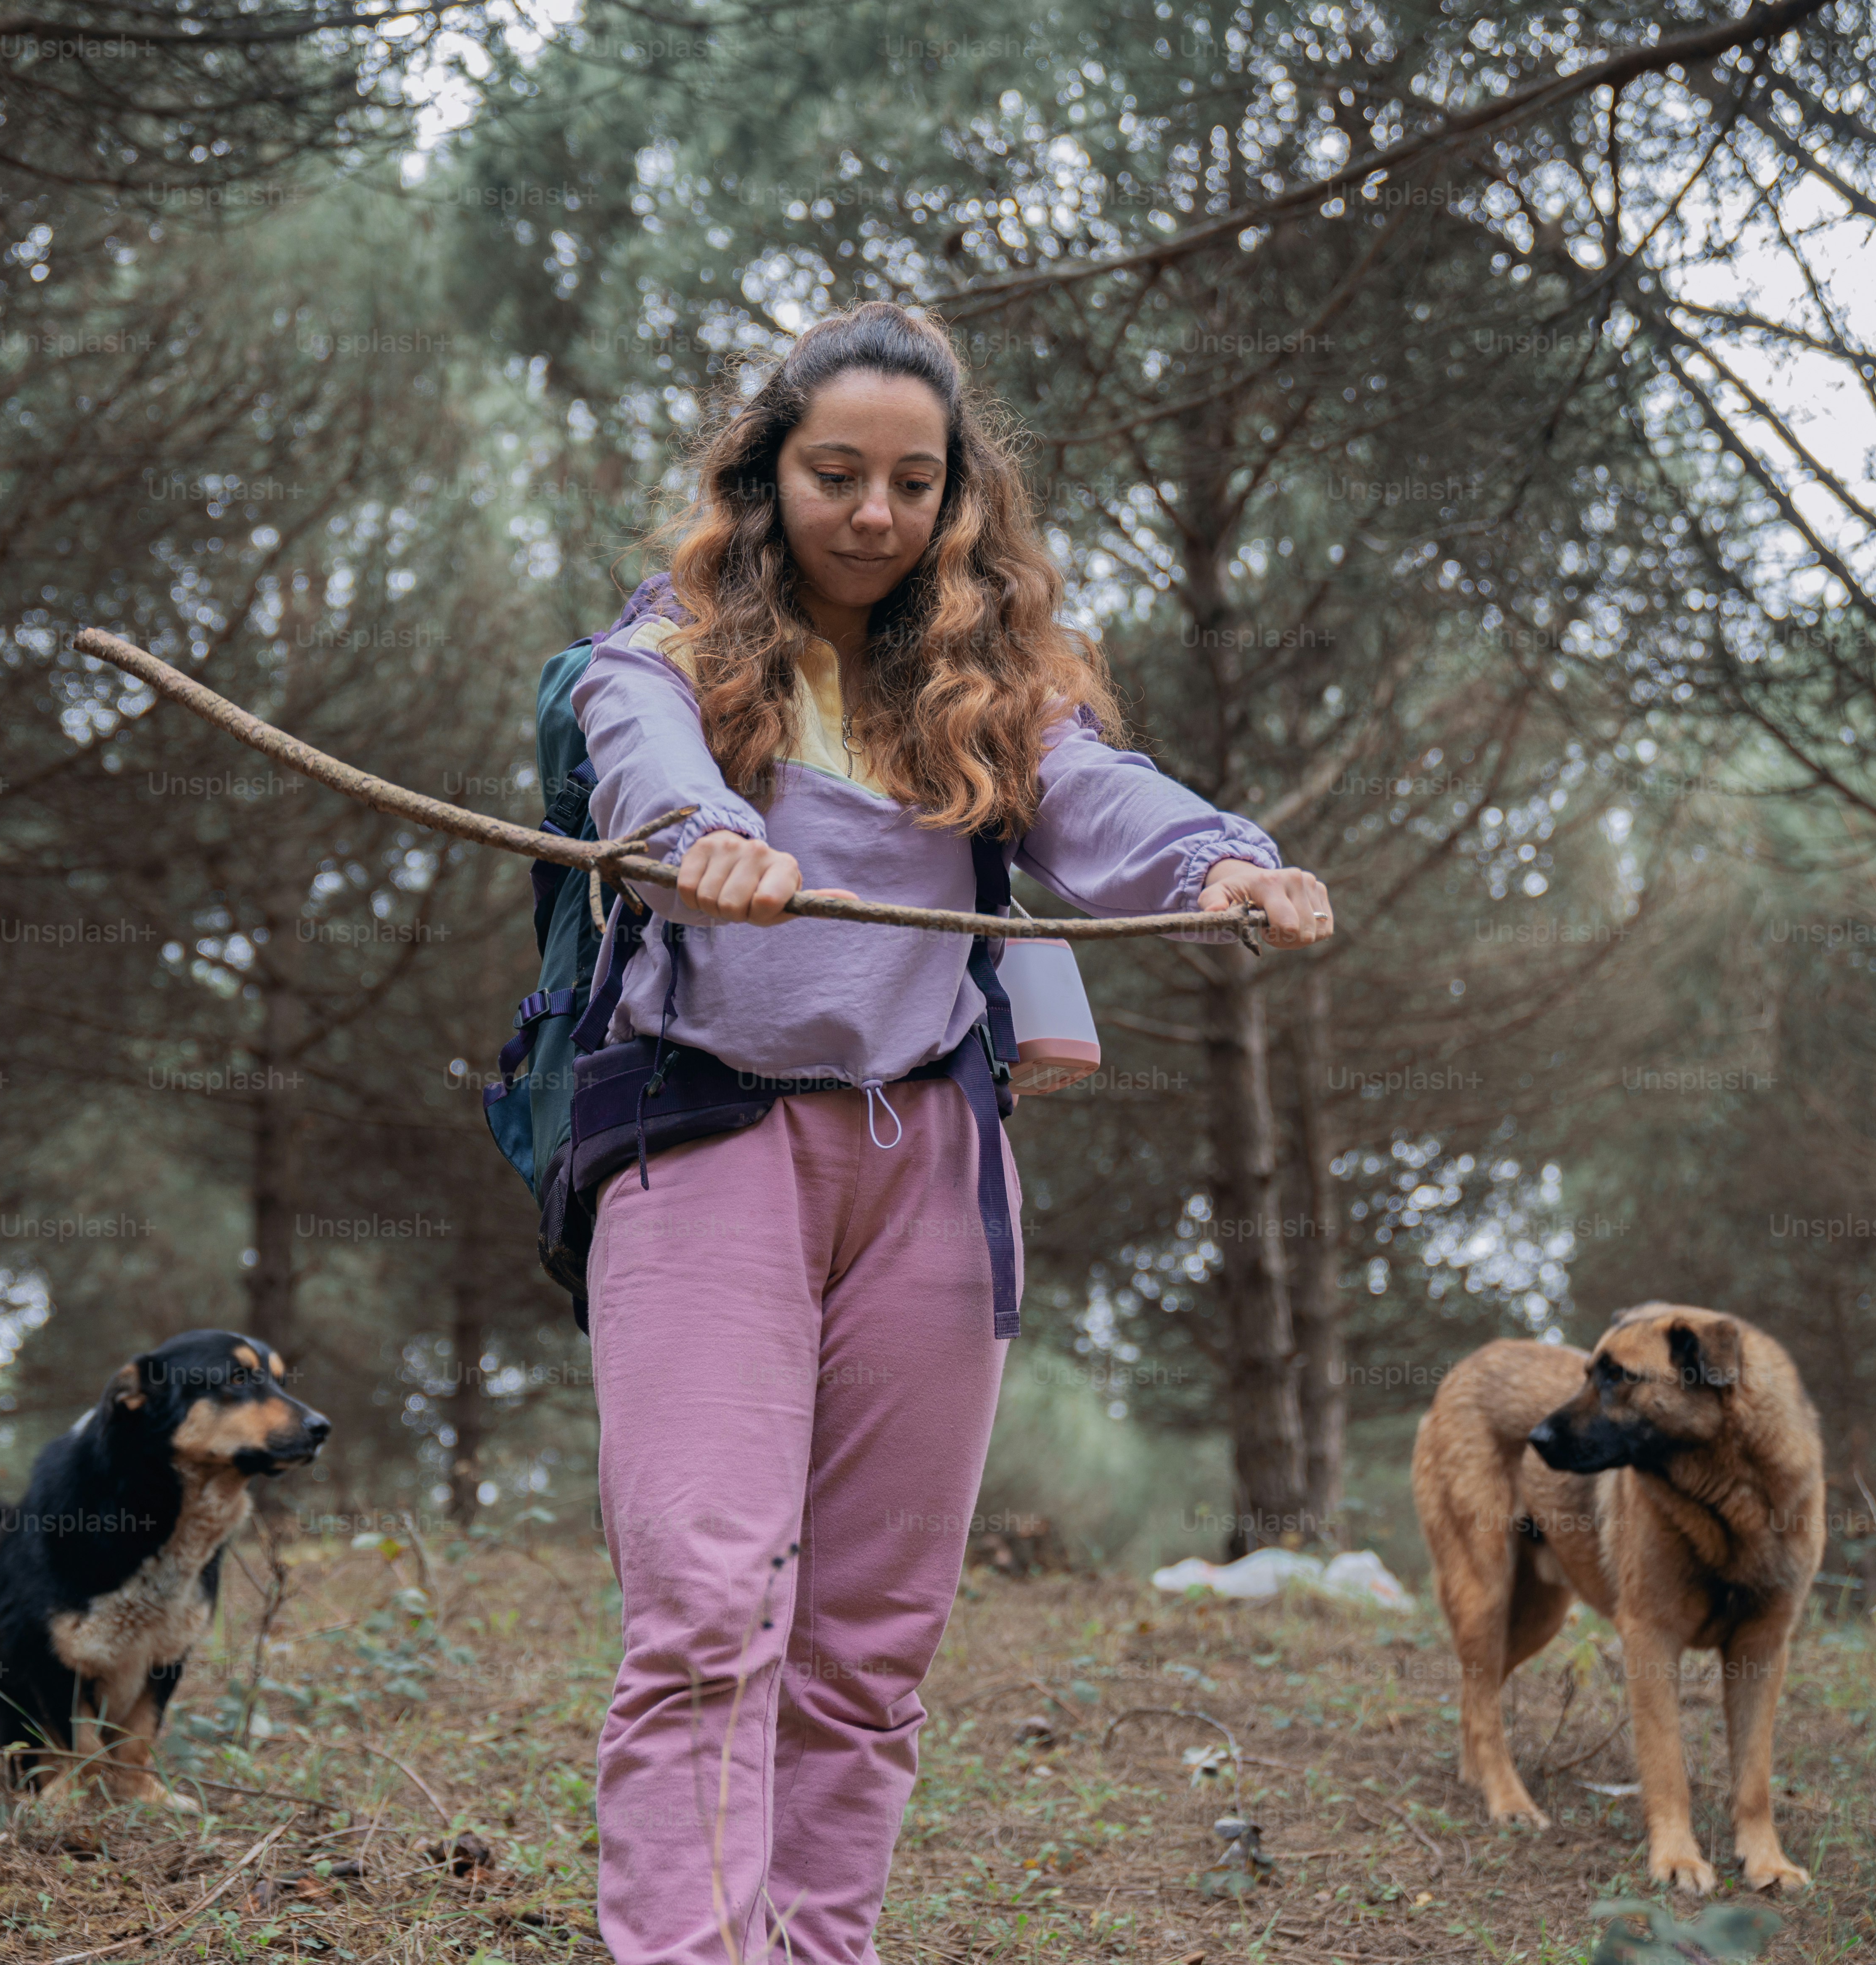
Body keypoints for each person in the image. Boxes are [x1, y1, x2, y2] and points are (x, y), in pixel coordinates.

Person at [571, 300, 1333, 1965]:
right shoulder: (670, 646)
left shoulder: (987, 678)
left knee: (871, 1638)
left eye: (911, 481)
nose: (872, 512)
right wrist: (707, 829)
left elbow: (1101, 802)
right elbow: (632, 764)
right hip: (704, 1143)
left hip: (931, 1162)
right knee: (707, 1608)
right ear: (766, 476)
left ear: (952, 495)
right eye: (835, 472)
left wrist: (1223, 864)